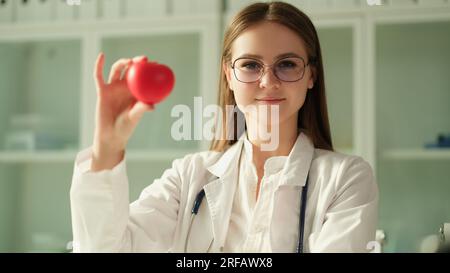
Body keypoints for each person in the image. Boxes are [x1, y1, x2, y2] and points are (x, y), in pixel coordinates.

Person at [70, 1, 378, 253]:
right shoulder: (189, 177)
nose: (268, 82)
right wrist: (107, 148)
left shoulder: (346, 179)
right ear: (228, 75)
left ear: (311, 75)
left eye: (287, 64)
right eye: (250, 65)